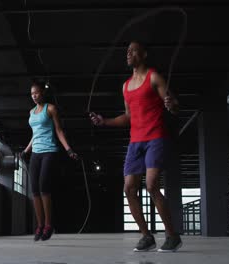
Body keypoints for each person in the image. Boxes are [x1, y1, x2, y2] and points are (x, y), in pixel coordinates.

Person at [90, 40, 182, 252]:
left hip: (156, 138)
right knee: (129, 188)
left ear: (144, 54)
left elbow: (174, 105)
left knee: (151, 185)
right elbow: (128, 117)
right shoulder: (125, 86)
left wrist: (172, 105)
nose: (128, 54)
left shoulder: (154, 77)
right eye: (127, 51)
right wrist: (104, 121)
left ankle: (172, 235)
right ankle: (146, 236)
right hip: (135, 142)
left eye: (133, 50)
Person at [21, 81, 78, 241]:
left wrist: (68, 149)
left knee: (43, 186)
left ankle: (48, 225)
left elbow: (59, 131)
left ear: (42, 93)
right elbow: (35, 134)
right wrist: (26, 150)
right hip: (36, 152)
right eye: (32, 94)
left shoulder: (50, 109)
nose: (34, 96)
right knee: (34, 190)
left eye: (37, 93)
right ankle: (39, 226)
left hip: (49, 151)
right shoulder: (31, 112)